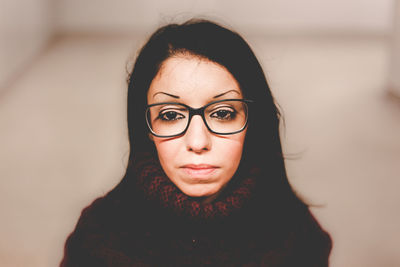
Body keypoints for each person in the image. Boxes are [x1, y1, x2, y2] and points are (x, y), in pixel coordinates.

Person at [60, 19, 332, 266]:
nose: (198, 142)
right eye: (170, 115)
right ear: (147, 129)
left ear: (253, 122)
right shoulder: (97, 239)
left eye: (223, 113)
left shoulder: (298, 236)